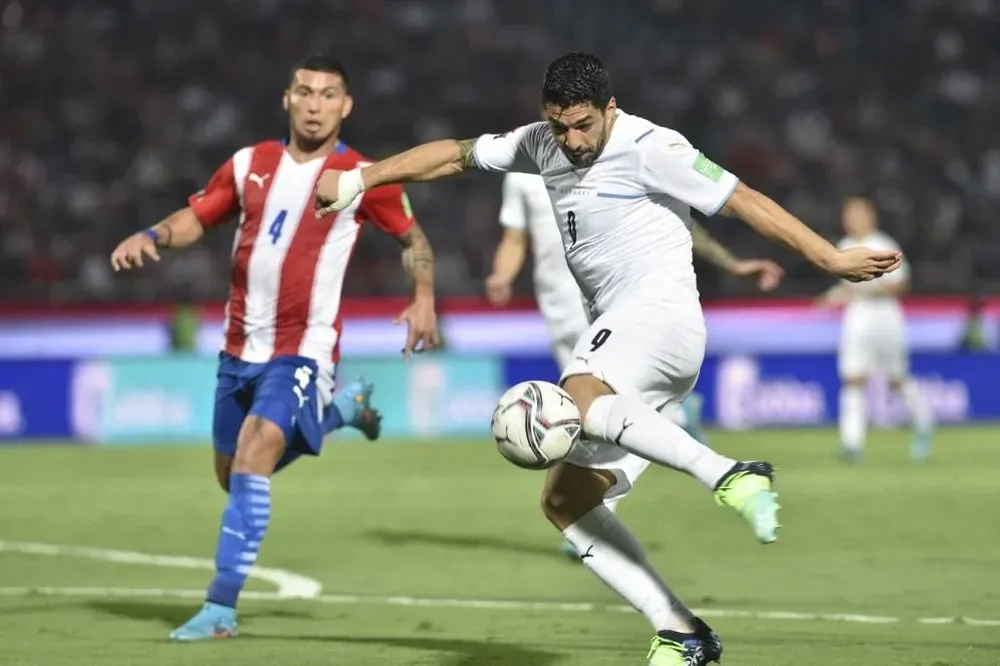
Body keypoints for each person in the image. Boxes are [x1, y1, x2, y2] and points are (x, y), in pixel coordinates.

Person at [313, 52, 899, 665]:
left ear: (610, 109)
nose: (572, 140)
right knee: (565, 503)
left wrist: (829, 259)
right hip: (632, 345)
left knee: (581, 392)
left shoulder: (654, 146)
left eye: (584, 125)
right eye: (560, 125)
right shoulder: (541, 144)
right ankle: (680, 631)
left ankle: (730, 472)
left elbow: (743, 199)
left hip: (662, 318)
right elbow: (452, 155)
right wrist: (360, 179)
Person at [109, 54, 440, 641]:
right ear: (286, 99)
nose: (315, 105)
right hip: (239, 348)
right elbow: (197, 217)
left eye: (329, 95)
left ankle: (219, 609)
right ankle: (342, 412)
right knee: (231, 475)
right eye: (306, 93)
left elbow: (412, 238)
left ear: (346, 106)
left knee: (257, 451)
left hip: (304, 349)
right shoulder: (248, 164)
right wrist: (154, 234)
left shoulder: (361, 175)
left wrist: (424, 295)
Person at [486, 172, 785, 559]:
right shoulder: (522, 170)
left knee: (593, 415)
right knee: (591, 420)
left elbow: (674, 222)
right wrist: (502, 274)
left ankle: (607, 508)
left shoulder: (612, 155)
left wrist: (731, 264)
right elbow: (515, 237)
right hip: (558, 307)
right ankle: (674, 419)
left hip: (615, 304)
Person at [817, 196, 933, 461]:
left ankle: (923, 422)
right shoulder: (844, 247)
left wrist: (873, 288)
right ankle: (852, 443)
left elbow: (902, 284)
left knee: (897, 379)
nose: (852, 220)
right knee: (853, 378)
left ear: (870, 217)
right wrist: (831, 297)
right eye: (848, 215)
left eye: (857, 214)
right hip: (857, 317)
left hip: (885, 316)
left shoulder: (884, 245)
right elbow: (847, 288)